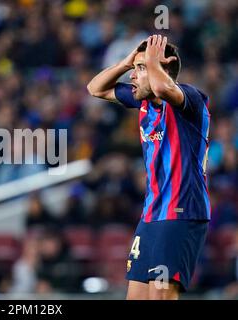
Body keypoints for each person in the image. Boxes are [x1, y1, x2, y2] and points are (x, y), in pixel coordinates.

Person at [87, 34, 210, 299]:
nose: (133, 75)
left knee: (160, 297)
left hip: (181, 212)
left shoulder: (190, 100)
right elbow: (95, 88)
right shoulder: (142, 102)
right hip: (151, 216)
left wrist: (153, 65)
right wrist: (127, 62)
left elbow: (166, 89)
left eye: (140, 69)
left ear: (164, 70)